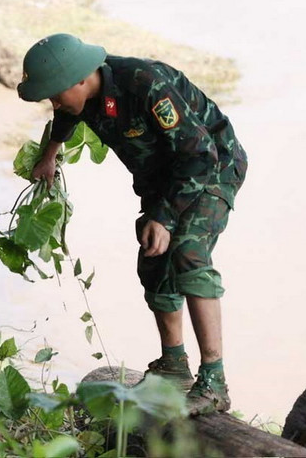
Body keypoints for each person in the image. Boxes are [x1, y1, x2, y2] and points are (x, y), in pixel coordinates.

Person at [19, 33, 247, 415]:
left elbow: (199, 154)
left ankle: (215, 381)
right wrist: (49, 154)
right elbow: (64, 115)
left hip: (211, 168)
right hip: (163, 179)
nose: (54, 104)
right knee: (154, 258)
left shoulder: (145, 83)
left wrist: (164, 216)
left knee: (188, 252)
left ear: (81, 79)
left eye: (56, 95)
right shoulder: (82, 94)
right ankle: (174, 366)